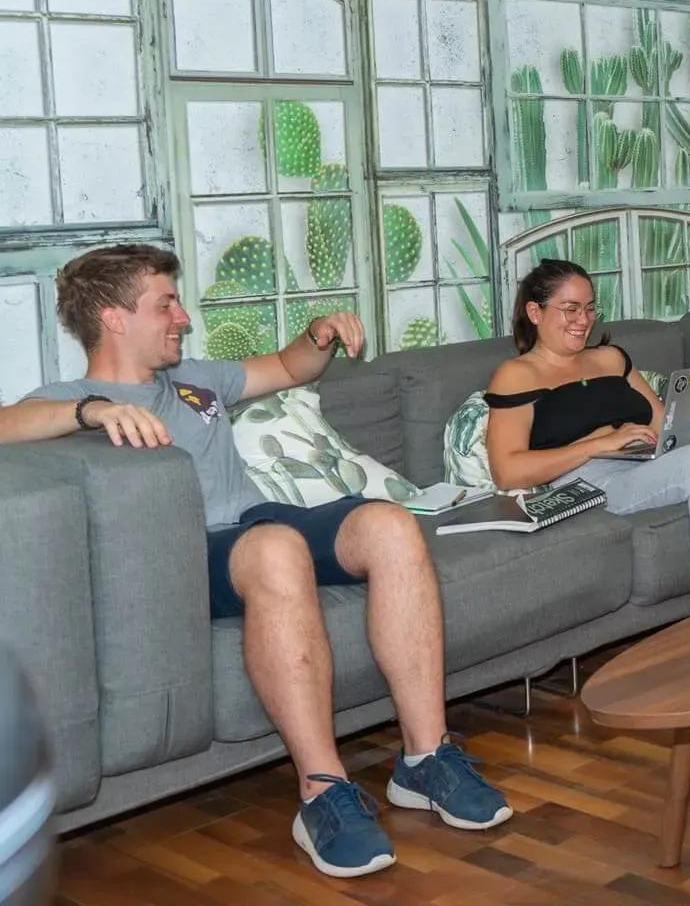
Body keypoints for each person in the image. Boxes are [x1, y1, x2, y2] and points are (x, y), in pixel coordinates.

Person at [0, 245, 509, 880]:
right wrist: (91, 411)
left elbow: (290, 366)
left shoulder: (199, 380)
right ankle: (322, 792)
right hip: (194, 553)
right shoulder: (71, 394)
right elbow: (5, 424)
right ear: (114, 317)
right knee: (276, 547)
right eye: (166, 304)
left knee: (388, 523)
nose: (182, 316)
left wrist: (317, 335)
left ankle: (425, 758)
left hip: (259, 522)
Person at [485, 259, 690, 606]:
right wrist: (599, 444)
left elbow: (663, 423)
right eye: (570, 309)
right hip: (589, 478)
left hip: (645, 459)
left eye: (590, 308)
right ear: (535, 312)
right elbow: (507, 471)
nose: (584, 320)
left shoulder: (611, 358)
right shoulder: (516, 375)